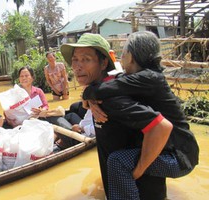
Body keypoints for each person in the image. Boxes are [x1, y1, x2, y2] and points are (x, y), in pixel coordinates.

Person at [78, 31, 199, 199]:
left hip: (178, 156)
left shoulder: (148, 78)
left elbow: (109, 87)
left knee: (118, 161)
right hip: (179, 151)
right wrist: (90, 98)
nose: (120, 60)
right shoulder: (146, 77)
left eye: (124, 54)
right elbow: (115, 82)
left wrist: (140, 168)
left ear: (132, 57)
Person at [61, 32, 171, 200]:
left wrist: (138, 170)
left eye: (86, 59)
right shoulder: (99, 94)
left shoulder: (112, 99)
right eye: (75, 59)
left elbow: (161, 127)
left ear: (104, 62)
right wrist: (88, 98)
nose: (77, 66)